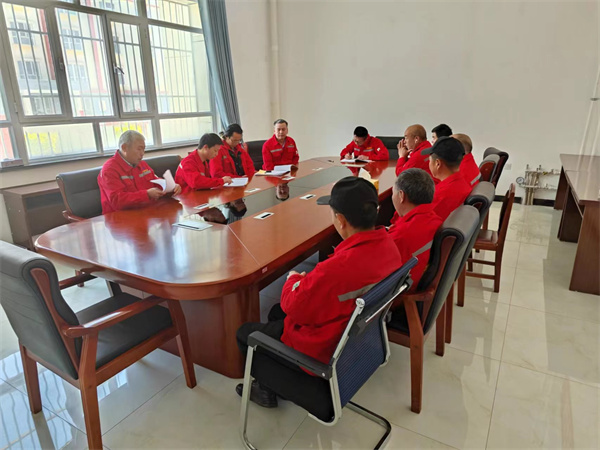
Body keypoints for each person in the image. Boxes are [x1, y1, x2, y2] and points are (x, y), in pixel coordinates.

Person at [235, 177, 402, 408]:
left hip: (322, 354)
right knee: (275, 313)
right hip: (356, 342)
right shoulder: (390, 247)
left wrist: (294, 279)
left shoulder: (335, 269)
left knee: (245, 333)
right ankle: (270, 384)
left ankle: (269, 386)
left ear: (340, 220)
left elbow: (292, 305)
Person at [98, 130, 181, 214]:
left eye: (143, 149)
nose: (142, 153)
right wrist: (146, 194)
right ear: (124, 148)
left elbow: (155, 181)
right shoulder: (109, 170)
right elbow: (117, 201)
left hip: (146, 212)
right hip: (120, 217)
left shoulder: (142, 164)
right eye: (139, 149)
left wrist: (170, 187)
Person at [388, 169, 443, 289]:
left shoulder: (400, 235)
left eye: (393, 193)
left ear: (401, 196)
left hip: (401, 291)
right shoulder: (435, 220)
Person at [423, 136, 472, 221]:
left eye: (430, 160)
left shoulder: (440, 195)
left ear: (437, 163)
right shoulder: (462, 184)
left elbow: (422, 223)